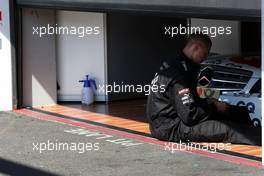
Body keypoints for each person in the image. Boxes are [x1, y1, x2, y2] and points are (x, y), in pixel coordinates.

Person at [146, 33, 261, 146]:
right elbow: (190, 116)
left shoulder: (182, 64)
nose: (205, 57)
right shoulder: (177, 74)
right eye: (205, 53)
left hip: (178, 118)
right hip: (170, 127)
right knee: (228, 129)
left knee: (237, 111)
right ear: (196, 47)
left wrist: (212, 101)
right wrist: (215, 107)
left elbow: (194, 96)